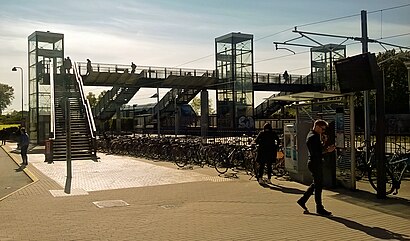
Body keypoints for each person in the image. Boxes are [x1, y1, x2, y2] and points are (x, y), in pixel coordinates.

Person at [297, 119, 336, 216]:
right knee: (318, 186)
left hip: (314, 162)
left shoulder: (312, 135)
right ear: (317, 127)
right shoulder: (313, 137)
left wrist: (323, 142)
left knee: (316, 183)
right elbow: (317, 152)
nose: (323, 131)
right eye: (322, 129)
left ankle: (303, 200)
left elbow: (316, 149)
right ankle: (319, 208)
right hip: (315, 163)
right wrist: (328, 150)